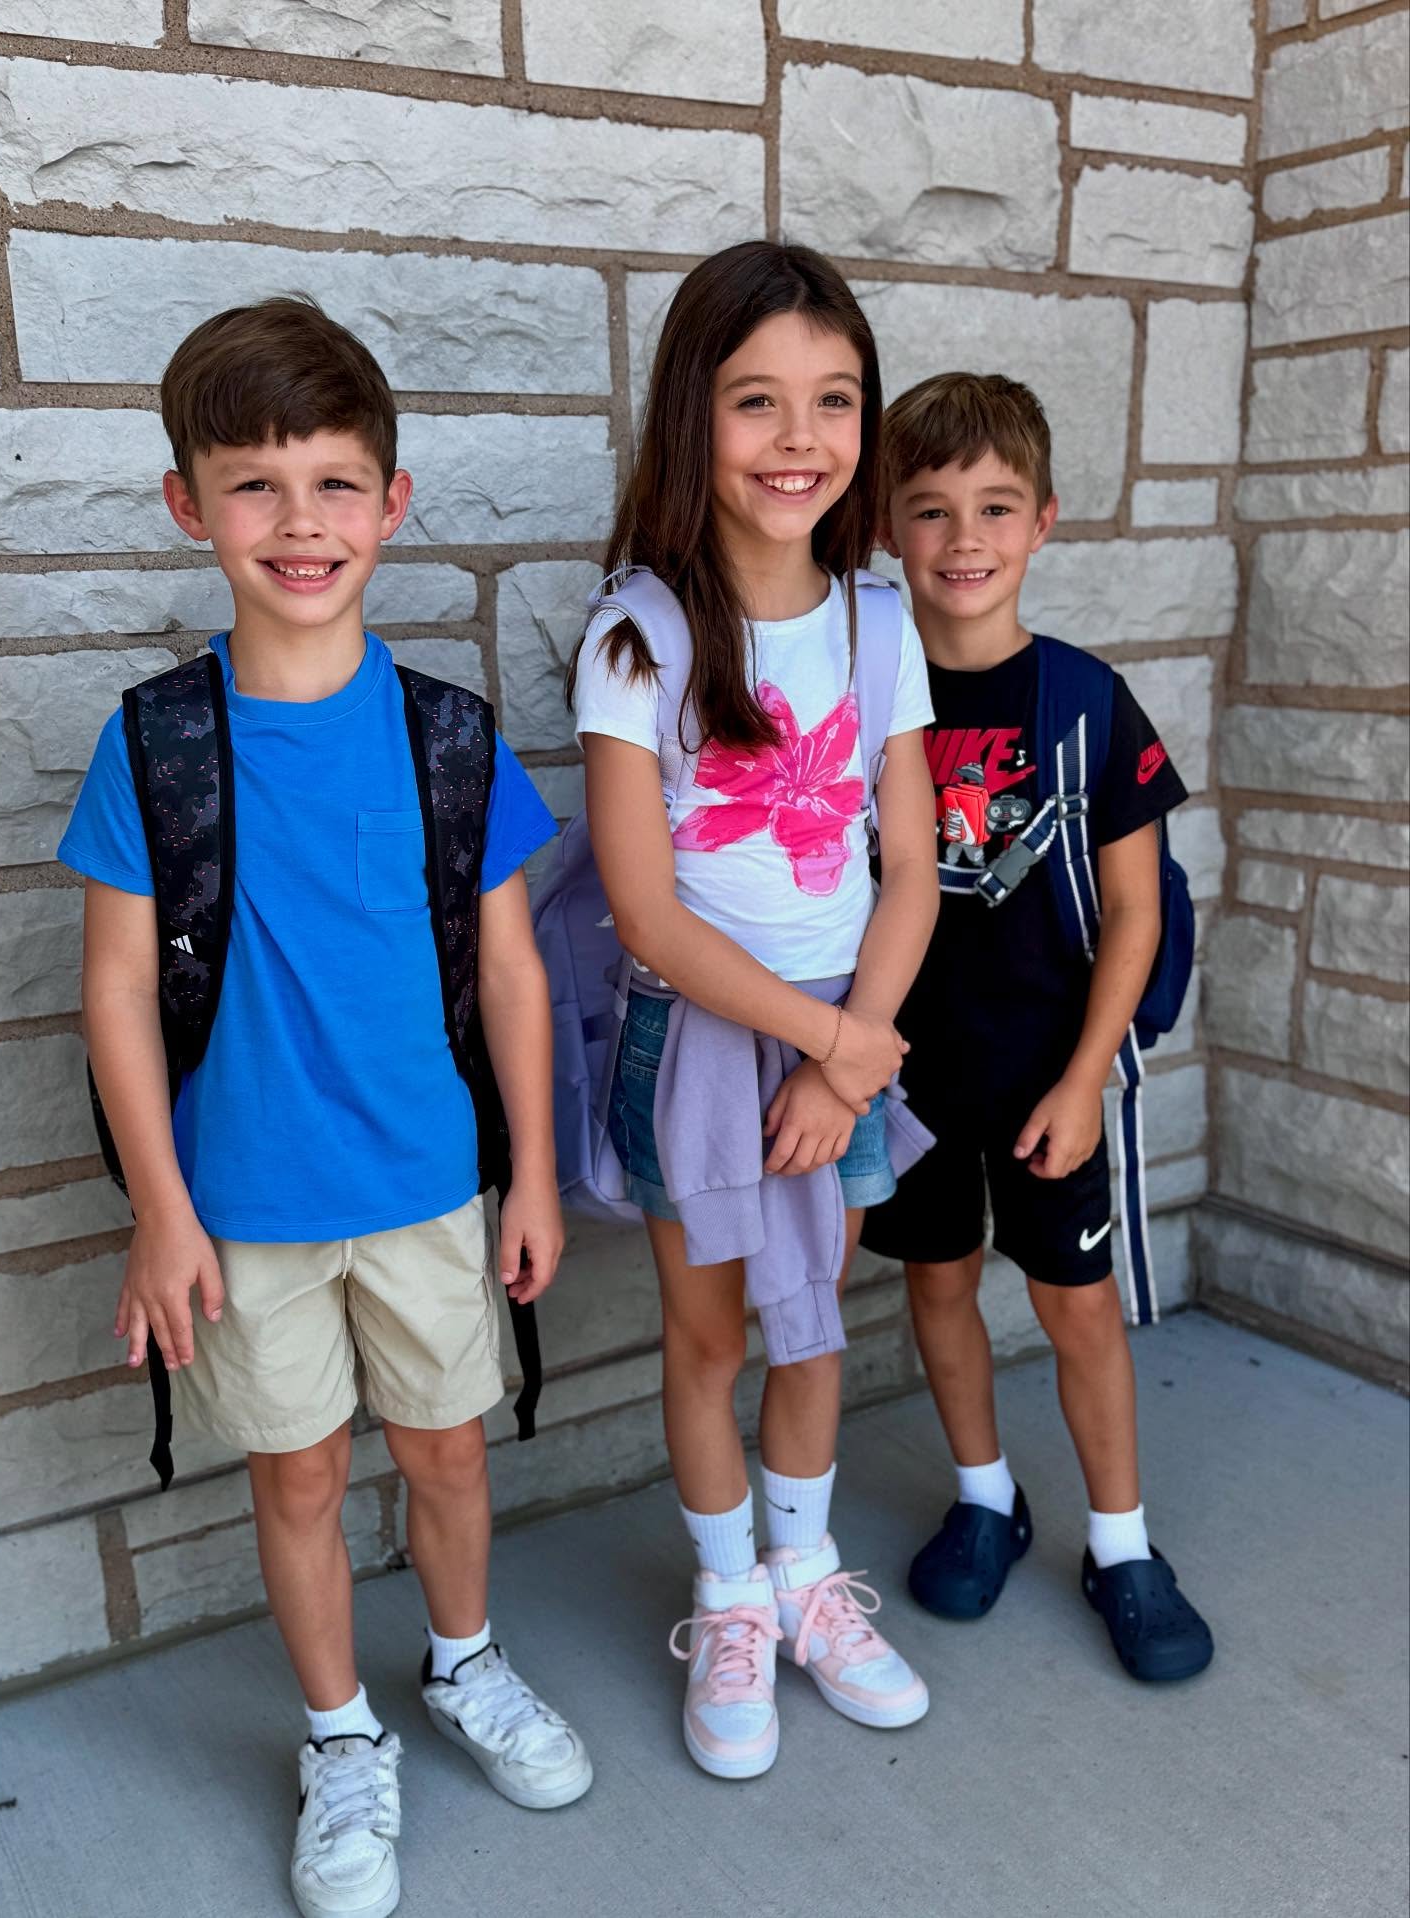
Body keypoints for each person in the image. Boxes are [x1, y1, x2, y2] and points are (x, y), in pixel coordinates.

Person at [59, 296, 592, 1918]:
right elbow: (114, 994)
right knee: (294, 1474)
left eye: (335, 483)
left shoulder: (450, 738)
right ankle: (340, 1733)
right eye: (255, 485)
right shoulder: (155, 744)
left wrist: (537, 1176)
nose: (301, 524)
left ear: (393, 501)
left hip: (433, 1182)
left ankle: (462, 1661)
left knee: (445, 1451)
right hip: (241, 1209)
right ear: (187, 505)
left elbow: (513, 978)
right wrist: (161, 1209)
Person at [567, 240, 941, 1780]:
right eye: (757, 402)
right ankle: (728, 1597)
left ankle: (805, 1578)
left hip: (845, 1040)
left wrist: (850, 1054)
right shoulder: (637, 632)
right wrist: (834, 1044)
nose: (800, 437)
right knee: (712, 1330)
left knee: (814, 1328)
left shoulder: (877, 612)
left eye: (834, 400)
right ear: (690, 420)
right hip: (703, 1048)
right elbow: (645, 908)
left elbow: (910, 863)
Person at [862, 371, 1214, 1682]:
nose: (965, 539)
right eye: (934, 509)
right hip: (906, 1076)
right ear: (888, 528)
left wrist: (1082, 1077)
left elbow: (1134, 911)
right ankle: (986, 1494)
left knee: (1076, 1309)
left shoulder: (1085, 702)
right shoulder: (869, 703)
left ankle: (1121, 1543)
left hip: (1048, 1073)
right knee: (939, 1284)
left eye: (996, 507)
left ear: (1044, 522)